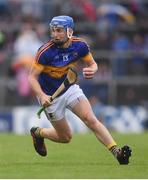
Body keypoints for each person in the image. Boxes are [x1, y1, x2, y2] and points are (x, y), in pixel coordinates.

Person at [28, 15, 132, 164]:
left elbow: (93, 64)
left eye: (59, 31)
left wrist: (93, 69)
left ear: (69, 31)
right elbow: (31, 77)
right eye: (53, 30)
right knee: (65, 137)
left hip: (69, 88)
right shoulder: (45, 51)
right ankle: (38, 133)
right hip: (50, 95)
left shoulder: (80, 46)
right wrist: (42, 95)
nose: (55, 34)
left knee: (90, 119)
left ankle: (117, 152)